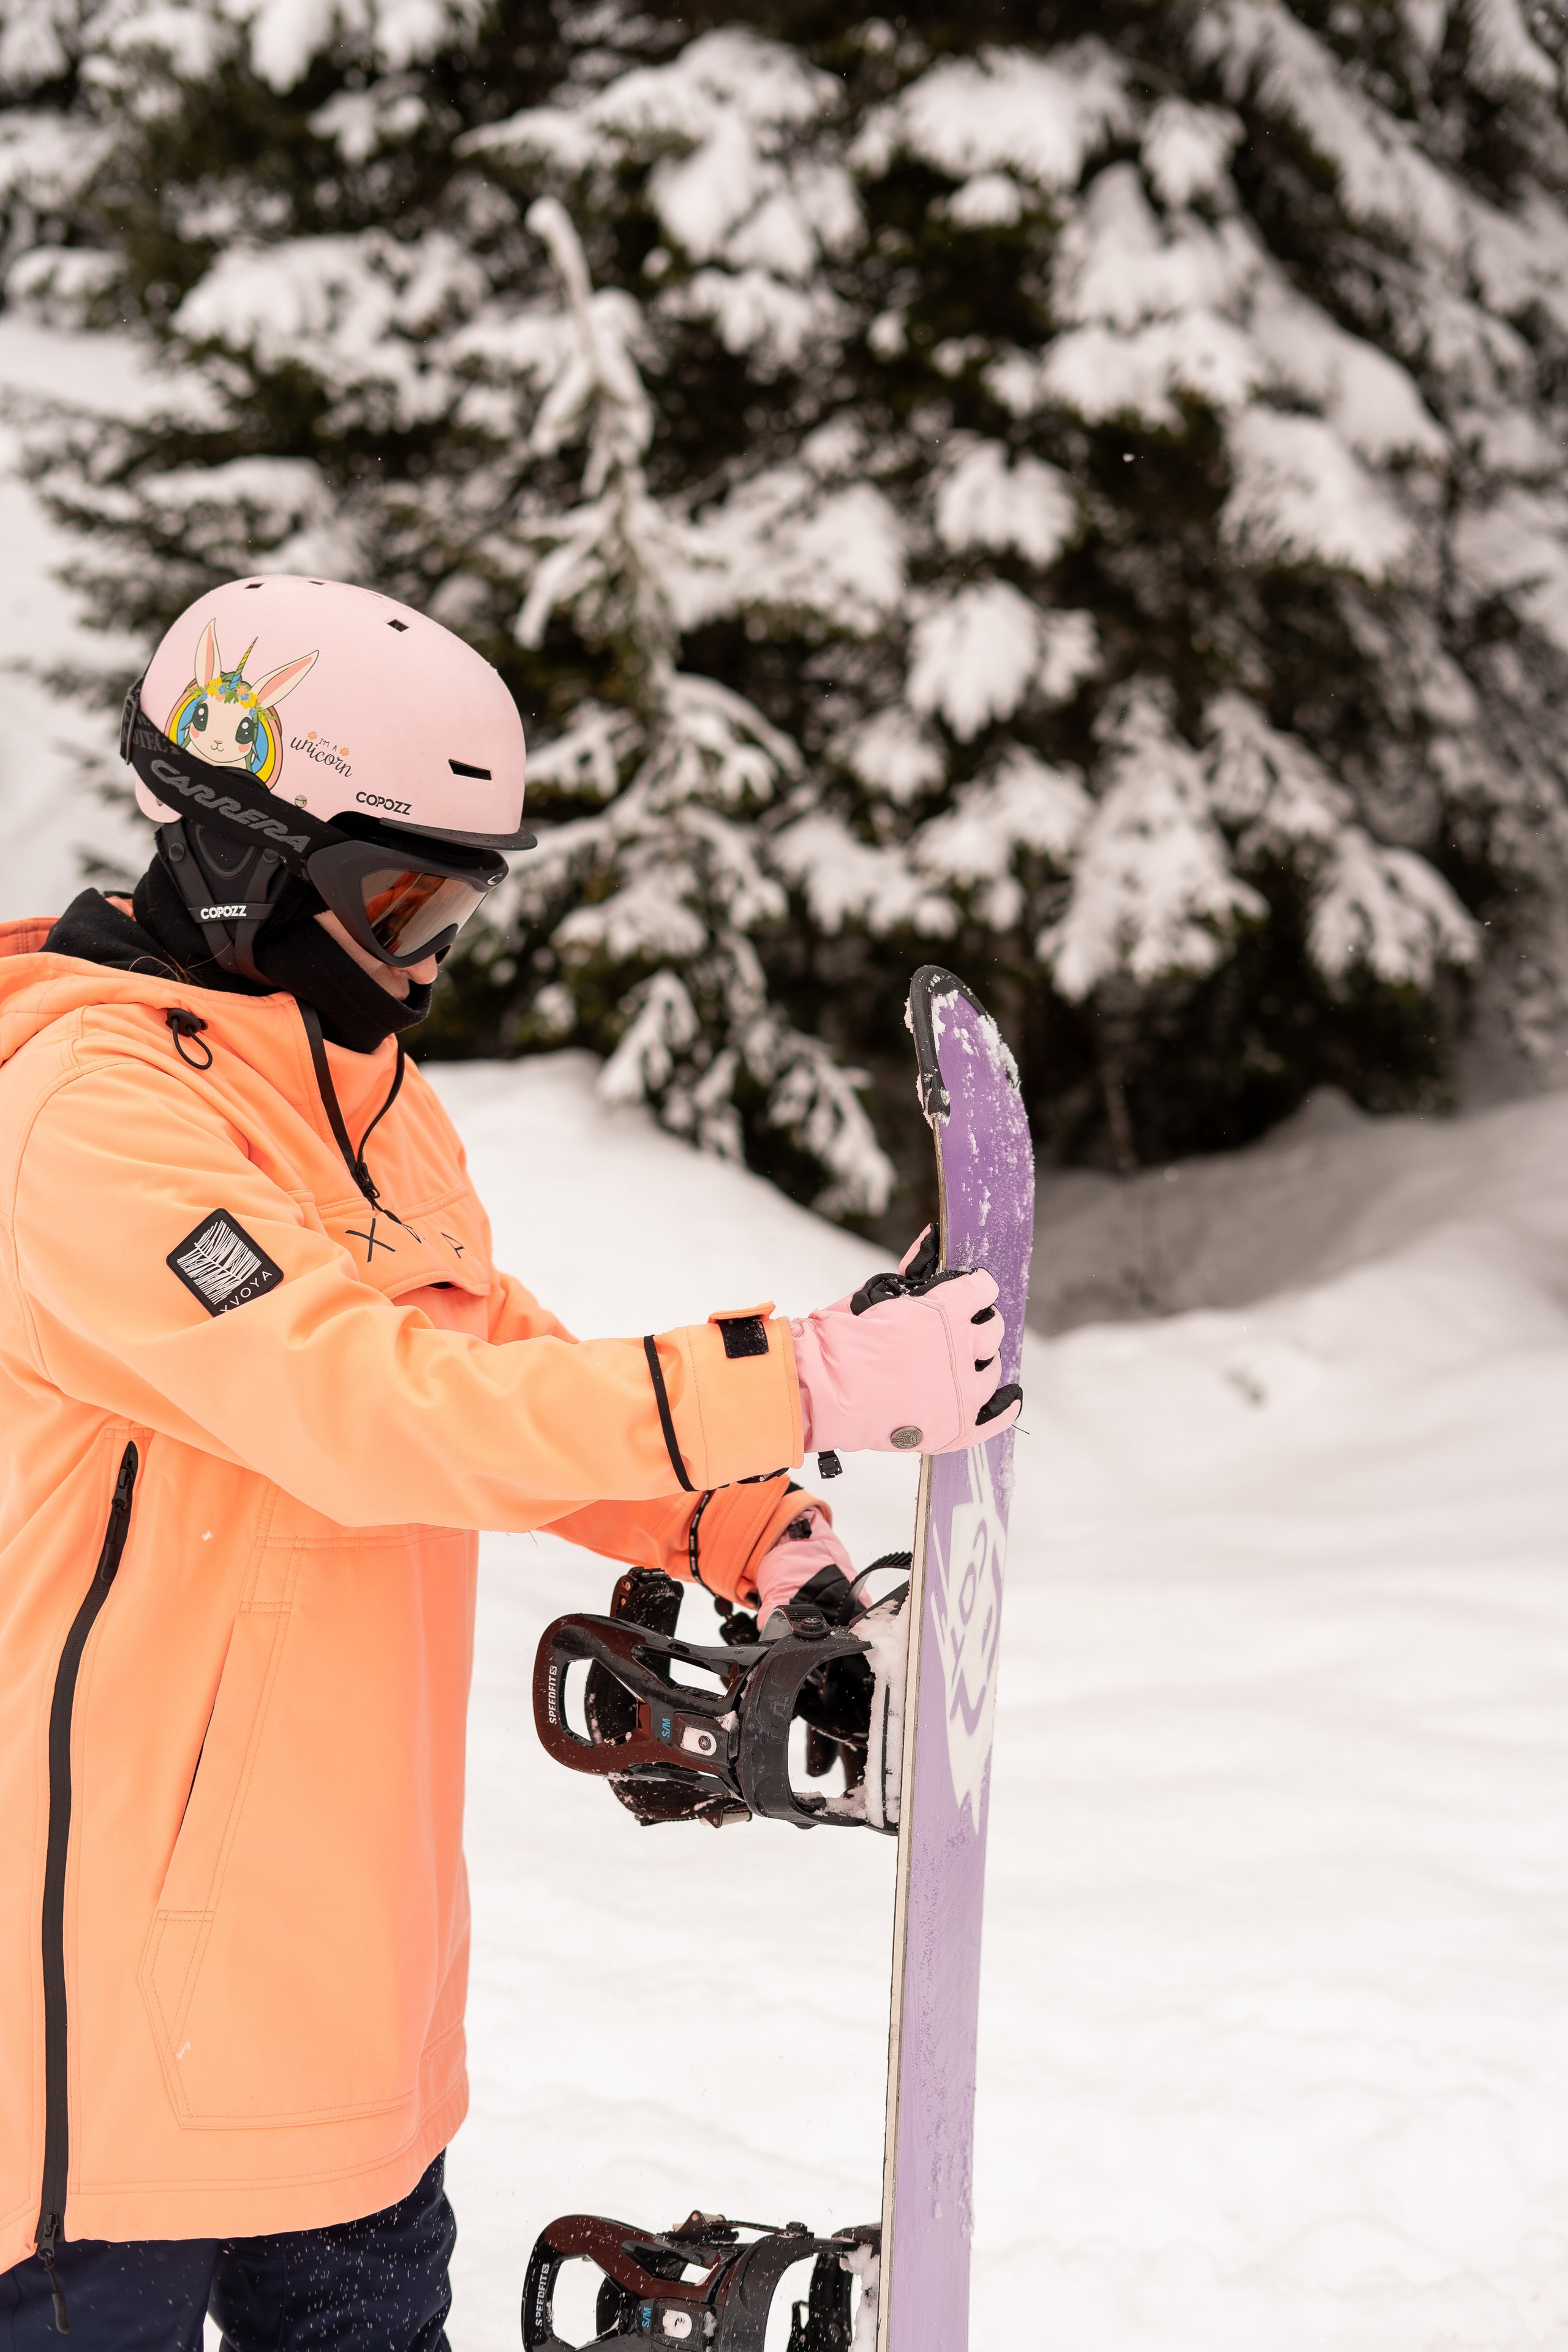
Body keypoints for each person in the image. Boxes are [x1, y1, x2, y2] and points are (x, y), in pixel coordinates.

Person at [0, 576, 1020, 2348]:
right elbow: (372, 1405)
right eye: (394, 899)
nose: (420, 961)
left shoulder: (356, 1085)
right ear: (247, 846)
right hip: (102, 2062)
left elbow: (490, 1362)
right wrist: (806, 1379)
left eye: (453, 908)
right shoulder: (86, 1118)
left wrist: (739, 1518)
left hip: (348, 2016)